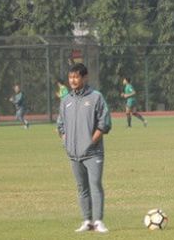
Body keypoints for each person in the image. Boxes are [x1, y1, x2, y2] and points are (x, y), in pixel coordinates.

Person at [57, 63, 112, 233]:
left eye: (76, 77)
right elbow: (60, 125)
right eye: (70, 77)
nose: (72, 80)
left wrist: (90, 143)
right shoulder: (66, 100)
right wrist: (66, 142)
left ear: (84, 78)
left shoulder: (96, 97)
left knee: (95, 184)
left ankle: (98, 222)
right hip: (74, 155)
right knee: (82, 188)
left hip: (93, 153)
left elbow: (104, 124)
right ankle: (87, 221)